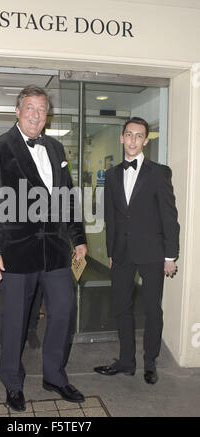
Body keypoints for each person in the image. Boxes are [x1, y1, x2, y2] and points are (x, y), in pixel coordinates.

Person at [0, 85, 87, 411]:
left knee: (64, 311)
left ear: (46, 113)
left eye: (41, 109)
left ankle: (54, 375)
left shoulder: (56, 148)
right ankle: (12, 381)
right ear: (18, 112)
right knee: (15, 322)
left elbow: (68, 197)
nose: (36, 115)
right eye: (30, 108)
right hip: (15, 253)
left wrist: (77, 237)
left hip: (55, 251)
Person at [94, 117, 179, 385]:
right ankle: (126, 361)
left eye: (138, 136)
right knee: (122, 307)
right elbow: (111, 216)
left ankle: (149, 361)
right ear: (122, 138)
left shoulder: (159, 172)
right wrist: (110, 249)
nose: (132, 140)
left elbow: (169, 216)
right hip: (121, 251)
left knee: (153, 309)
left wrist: (170, 255)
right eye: (128, 135)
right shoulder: (111, 175)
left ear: (145, 140)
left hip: (153, 252)